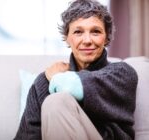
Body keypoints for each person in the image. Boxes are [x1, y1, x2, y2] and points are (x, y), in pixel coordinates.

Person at [14, 0, 138, 139]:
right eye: (78, 32)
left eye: (95, 32)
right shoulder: (43, 82)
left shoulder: (122, 74)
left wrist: (57, 78)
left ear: (106, 37)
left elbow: (71, 86)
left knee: (56, 102)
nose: (87, 40)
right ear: (67, 37)